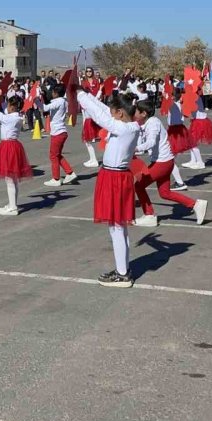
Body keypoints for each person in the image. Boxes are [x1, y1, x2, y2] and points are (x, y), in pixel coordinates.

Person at [77, 90, 140, 288]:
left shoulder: (125, 128)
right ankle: (123, 269)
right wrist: (85, 93)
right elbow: (104, 110)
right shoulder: (128, 125)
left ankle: (122, 274)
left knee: (117, 227)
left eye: (114, 112)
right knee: (118, 227)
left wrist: (80, 96)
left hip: (115, 177)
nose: (111, 114)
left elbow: (99, 116)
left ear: (120, 113)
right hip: (115, 176)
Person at [132, 99, 208, 227]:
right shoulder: (147, 123)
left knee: (138, 185)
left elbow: (151, 142)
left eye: (136, 111)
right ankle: (196, 204)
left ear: (144, 113)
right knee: (164, 193)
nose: (134, 114)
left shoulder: (153, 123)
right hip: (165, 161)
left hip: (162, 163)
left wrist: (135, 149)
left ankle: (149, 215)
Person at [0, 92, 33, 215]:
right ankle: (12, 204)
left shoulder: (9, 118)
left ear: (12, 107)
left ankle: (13, 207)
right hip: (14, 146)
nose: (6, 107)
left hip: (8, 147)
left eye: (8, 105)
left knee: (9, 179)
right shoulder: (17, 117)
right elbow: (2, 112)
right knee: (13, 179)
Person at [40, 84, 78, 187]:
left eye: (52, 92)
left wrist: (36, 101)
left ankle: (56, 178)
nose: (51, 94)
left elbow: (45, 107)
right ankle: (70, 173)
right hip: (61, 132)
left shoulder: (59, 101)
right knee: (57, 155)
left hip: (58, 132)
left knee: (53, 156)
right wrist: (42, 96)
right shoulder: (63, 101)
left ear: (56, 93)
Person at [165, 89, 193, 191]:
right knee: (170, 156)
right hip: (179, 129)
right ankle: (176, 180)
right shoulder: (179, 104)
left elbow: (168, 101)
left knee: (170, 157)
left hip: (175, 132)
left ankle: (180, 182)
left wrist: (166, 95)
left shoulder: (173, 105)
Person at [80, 68, 102, 167]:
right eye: (87, 71)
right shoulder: (83, 82)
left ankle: (94, 160)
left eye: (90, 71)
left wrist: (99, 94)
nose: (89, 72)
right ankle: (92, 159)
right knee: (87, 136)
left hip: (94, 107)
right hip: (86, 109)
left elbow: (98, 95)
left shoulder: (96, 82)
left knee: (88, 137)